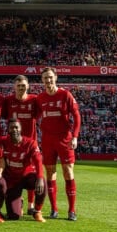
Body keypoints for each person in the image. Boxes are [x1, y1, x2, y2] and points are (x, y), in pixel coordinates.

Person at [37, 67, 81, 221]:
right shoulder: (40, 98)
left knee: (68, 172)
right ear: (42, 80)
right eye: (45, 78)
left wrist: (75, 137)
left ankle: (72, 210)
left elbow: (77, 116)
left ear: (55, 77)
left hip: (64, 139)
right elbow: (33, 116)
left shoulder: (65, 95)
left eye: (50, 77)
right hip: (48, 140)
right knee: (50, 173)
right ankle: (54, 209)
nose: (48, 80)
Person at [4, 74, 38, 214]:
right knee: (12, 173)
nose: (21, 88)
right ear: (14, 87)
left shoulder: (35, 100)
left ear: (28, 86)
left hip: (30, 144)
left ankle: (31, 205)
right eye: (18, 85)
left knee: (32, 172)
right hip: (12, 145)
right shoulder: (8, 101)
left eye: (23, 85)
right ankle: (17, 199)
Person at [1, 118, 47, 223]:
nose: (14, 130)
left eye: (16, 127)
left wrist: (40, 177)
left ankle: (37, 211)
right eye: (11, 128)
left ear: (20, 129)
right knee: (14, 216)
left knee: (42, 183)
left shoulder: (30, 143)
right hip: (13, 181)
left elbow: (38, 160)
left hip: (27, 177)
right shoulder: (3, 141)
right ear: (8, 130)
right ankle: (19, 202)